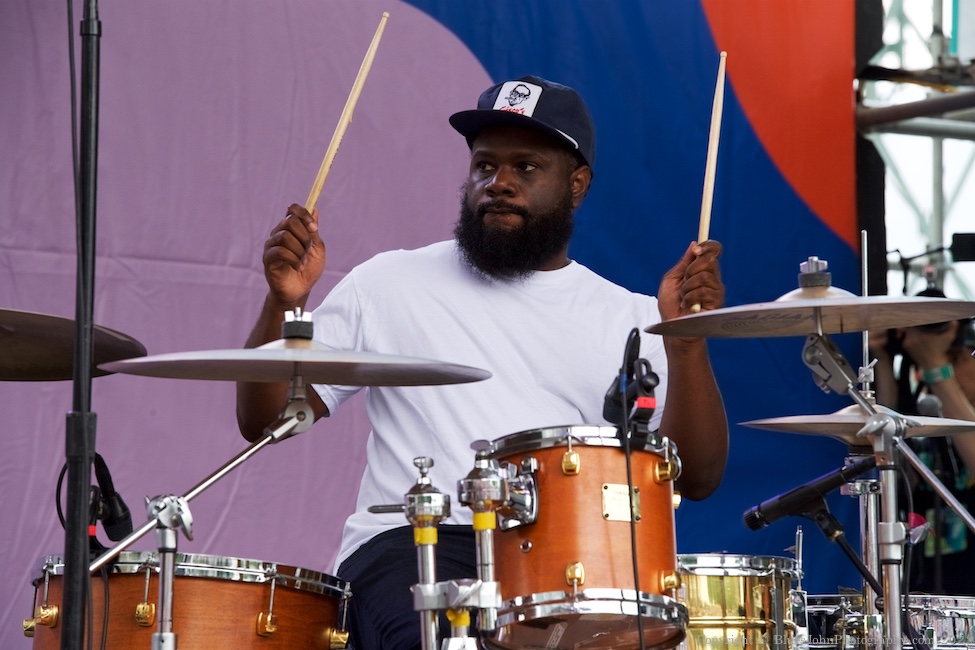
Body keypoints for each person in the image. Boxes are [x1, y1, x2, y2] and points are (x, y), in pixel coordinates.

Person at [237, 75, 730, 648]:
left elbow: (697, 479)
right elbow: (266, 422)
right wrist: (284, 303)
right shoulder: (387, 282)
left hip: (568, 559)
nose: (498, 183)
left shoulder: (632, 316)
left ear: (577, 185)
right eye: (483, 166)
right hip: (413, 543)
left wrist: (686, 342)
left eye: (526, 168)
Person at [870, 287, 975, 595]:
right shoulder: (920, 400)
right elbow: (893, 466)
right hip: (922, 569)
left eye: (957, 357)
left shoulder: (949, 379)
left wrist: (935, 365)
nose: (957, 368)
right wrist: (883, 360)